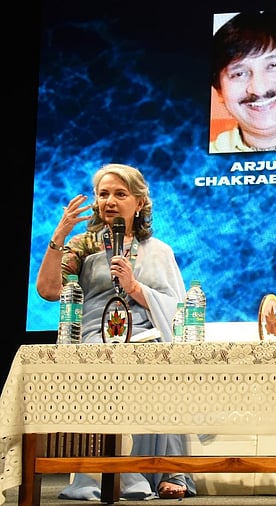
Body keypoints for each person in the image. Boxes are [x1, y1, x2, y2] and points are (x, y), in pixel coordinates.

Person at [35, 163, 196, 500]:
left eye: (120, 194)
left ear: (139, 202)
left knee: (157, 360)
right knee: (106, 361)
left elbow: (178, 309)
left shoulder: (159, 251)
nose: (110, 201)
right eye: (103, 194)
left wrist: (135, 288)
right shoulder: (83, 245)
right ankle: (114, 473)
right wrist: (59, 236)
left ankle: (163, 469)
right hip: (95, 337)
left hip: (146, 336)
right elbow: (49, 290)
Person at [209, 10, 276, 153]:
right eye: (239, 74)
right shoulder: (196, 159)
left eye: (273, 65)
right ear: (219, 91)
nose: (259, 89)